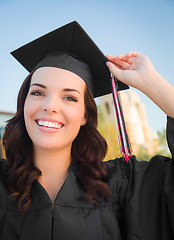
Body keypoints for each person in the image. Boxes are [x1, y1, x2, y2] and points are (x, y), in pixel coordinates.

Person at [0, 21, 174, 240]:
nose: (50, 106)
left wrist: (151, 82)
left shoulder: (121, 186)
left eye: (69, 97)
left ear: (85, 115)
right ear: (23, 102)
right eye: (37, 93)